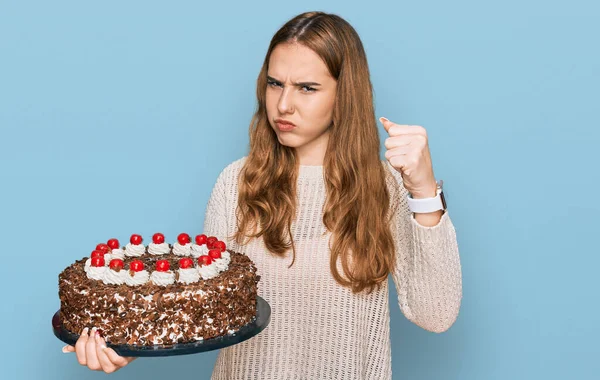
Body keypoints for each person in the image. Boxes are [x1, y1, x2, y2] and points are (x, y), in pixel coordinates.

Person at [62, 11, 462, 379]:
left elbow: (436, 314)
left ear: (345, 95)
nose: (283, 105)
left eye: (307, 88)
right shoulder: (236, 182)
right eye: (275, 84)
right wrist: (130, 342)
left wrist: (424, 191)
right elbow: (206, 310)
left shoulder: (384, 188)